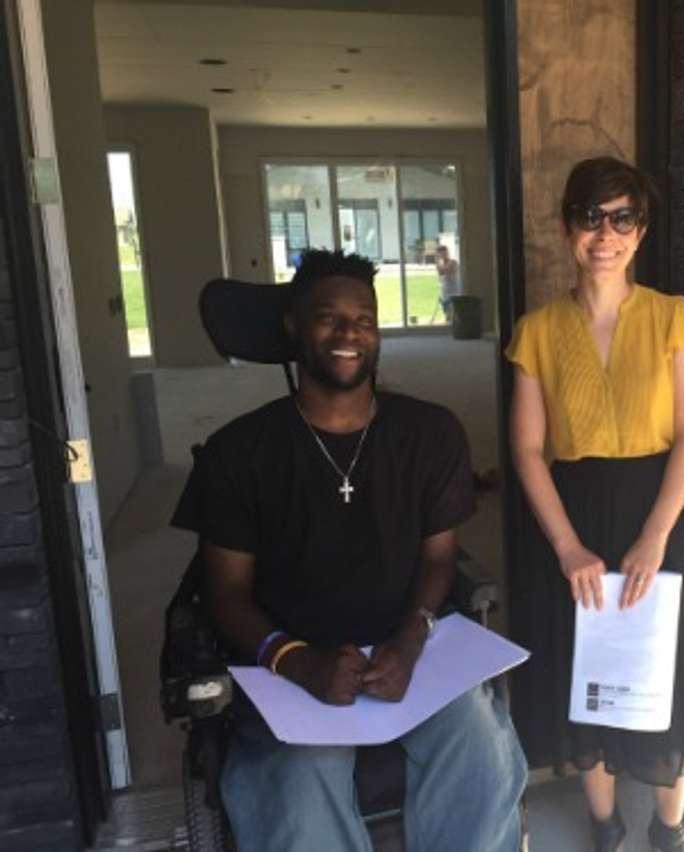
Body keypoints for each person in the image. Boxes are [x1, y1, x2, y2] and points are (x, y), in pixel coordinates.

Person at [176, 249, 527, 852]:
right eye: (328, 318)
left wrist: (413, 637)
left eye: (364, 319)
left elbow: (441, 559)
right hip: (287, 667)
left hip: (409, 652)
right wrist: (294, 658)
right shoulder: (240, 452)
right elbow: (225, 593)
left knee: (482, 746)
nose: (349, 334)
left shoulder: (431, 432)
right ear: (293, 325)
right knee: (297, 780)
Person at [507, 156, 684, 852]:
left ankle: (670, 826)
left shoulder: (673, 319)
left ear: (642, 229)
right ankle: (604, 822)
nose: (606, 234)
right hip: (573, 523)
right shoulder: (536, 330)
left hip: (657, 514)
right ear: (567, 227)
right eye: (589, 218)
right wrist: (567, 545)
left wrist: (658, 534)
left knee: (663, 668)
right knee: (586, 671)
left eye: (622, 218)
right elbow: (527, 452)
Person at [436, 244, 461, 320]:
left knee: (452, 318)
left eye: (443, 252)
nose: (442, 255)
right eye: (440, 253)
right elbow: (441, 279)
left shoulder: (453, 262)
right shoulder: (441, 264)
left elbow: (442, 272)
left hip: (453, 295)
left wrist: (436, 261)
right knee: (447, 317)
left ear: (447, 253)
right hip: (445, 296)